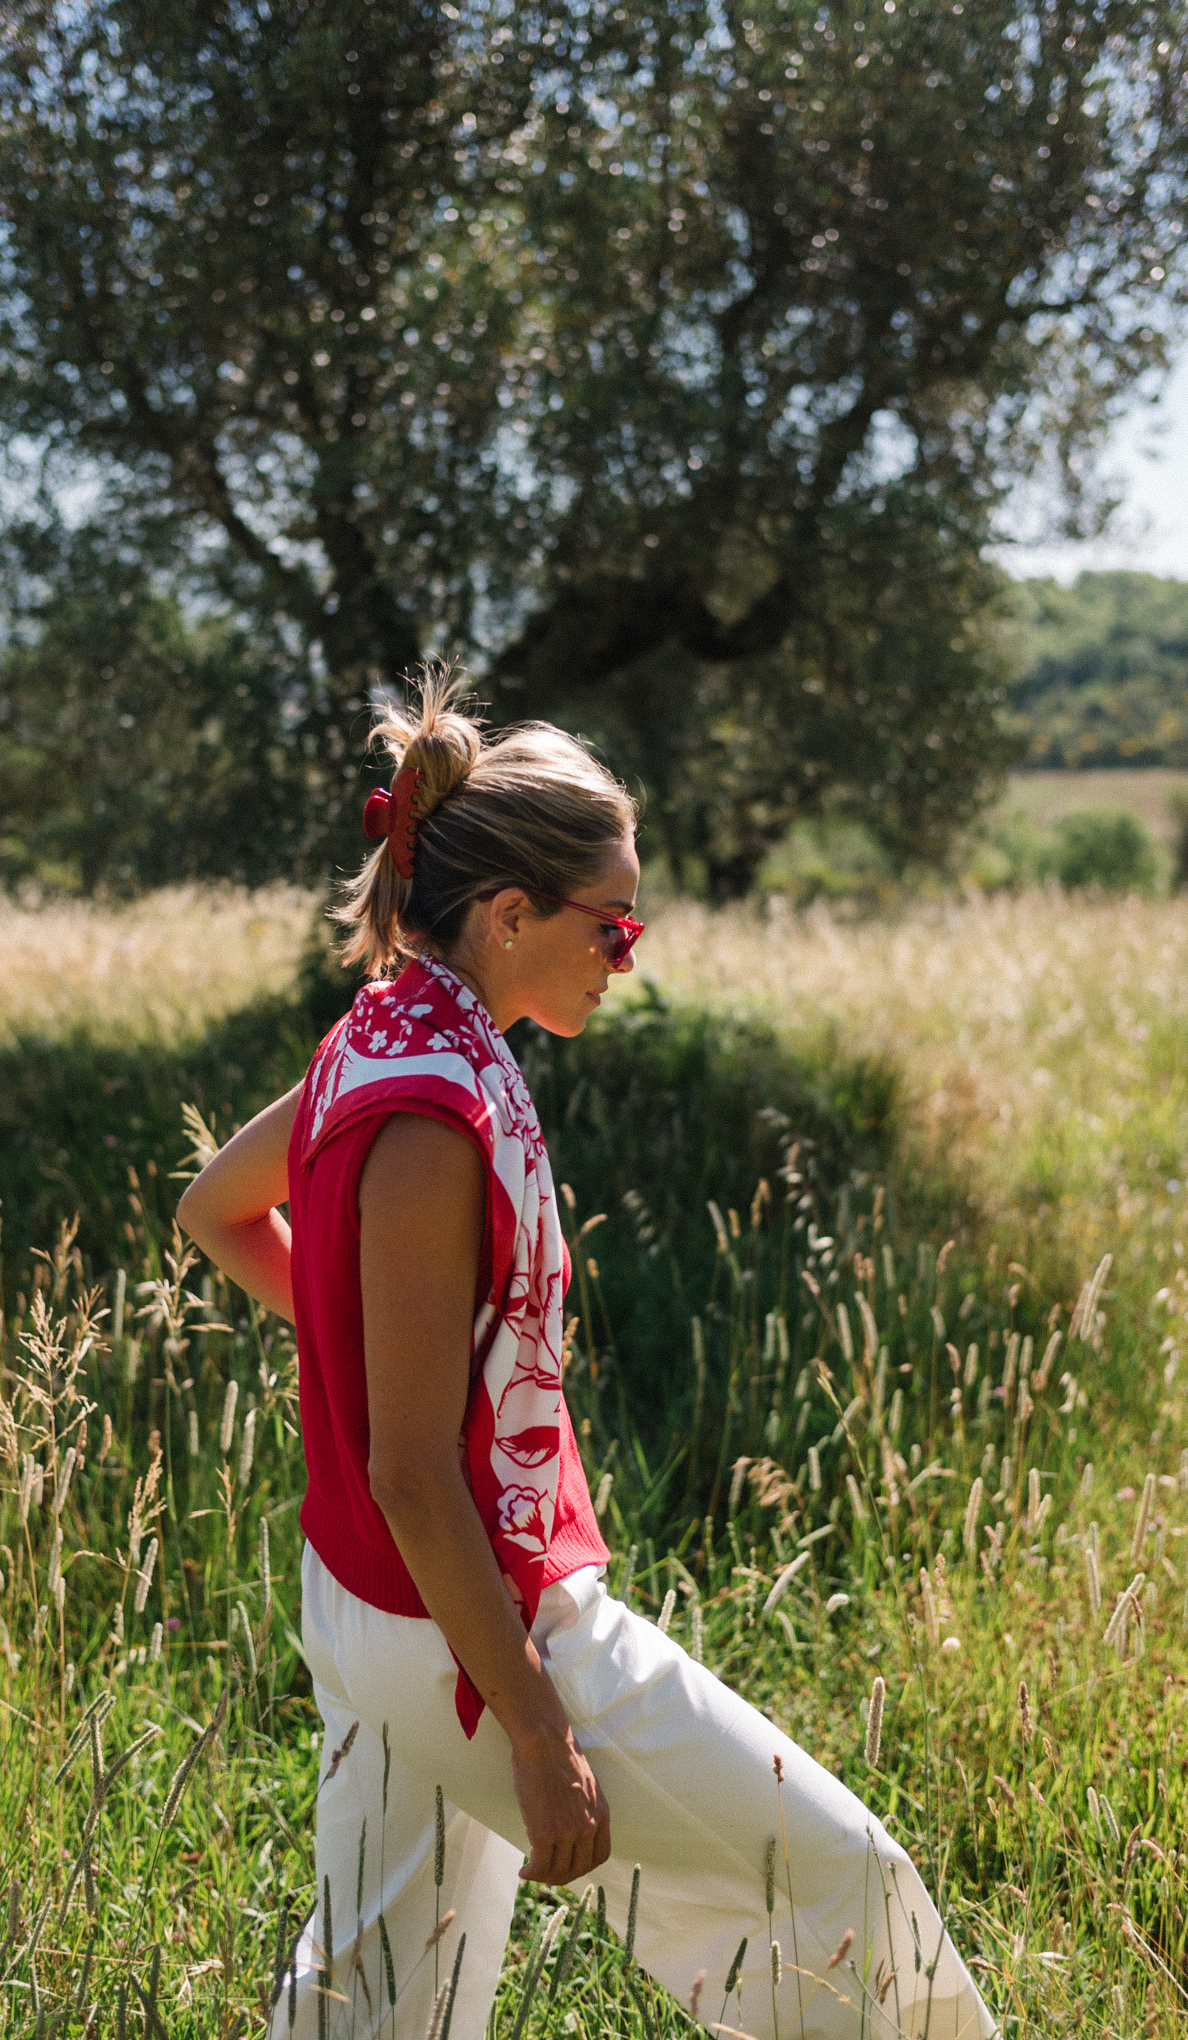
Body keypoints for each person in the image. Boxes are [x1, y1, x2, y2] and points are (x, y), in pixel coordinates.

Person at [178, 675, 996, 2040]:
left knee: (381, 2002)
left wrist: (363, 1364)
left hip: (368, 1609)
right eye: (611, 925)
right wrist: (542, 1735)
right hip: (475, 1626)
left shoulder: (383, 1035)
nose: (627, 954)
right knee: (846, 1885)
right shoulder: (436, 1111)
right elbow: (416, 1472)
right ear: (510, 915)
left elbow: (214, 1205)